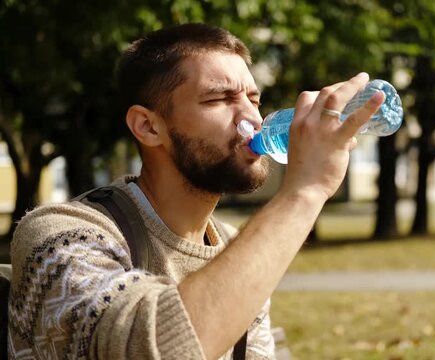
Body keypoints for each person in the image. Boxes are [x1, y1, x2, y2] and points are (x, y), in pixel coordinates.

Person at [8, 23, 384, 359]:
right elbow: (152, 349)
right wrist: (306, 191)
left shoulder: (235, 248)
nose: (252, 119)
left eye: (253, 99)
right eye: (219, 99)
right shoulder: (59, 236)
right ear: (148, 127)